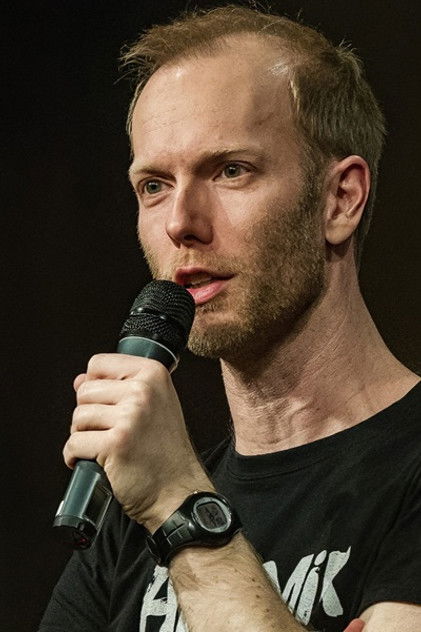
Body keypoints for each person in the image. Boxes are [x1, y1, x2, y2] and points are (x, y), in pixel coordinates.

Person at [39, 5, 421, 632]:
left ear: (340, 199)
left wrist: (181, 507)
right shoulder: (127, 519)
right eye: (154, 185)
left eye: (230, 171)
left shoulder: (162, 494)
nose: (180, 222)